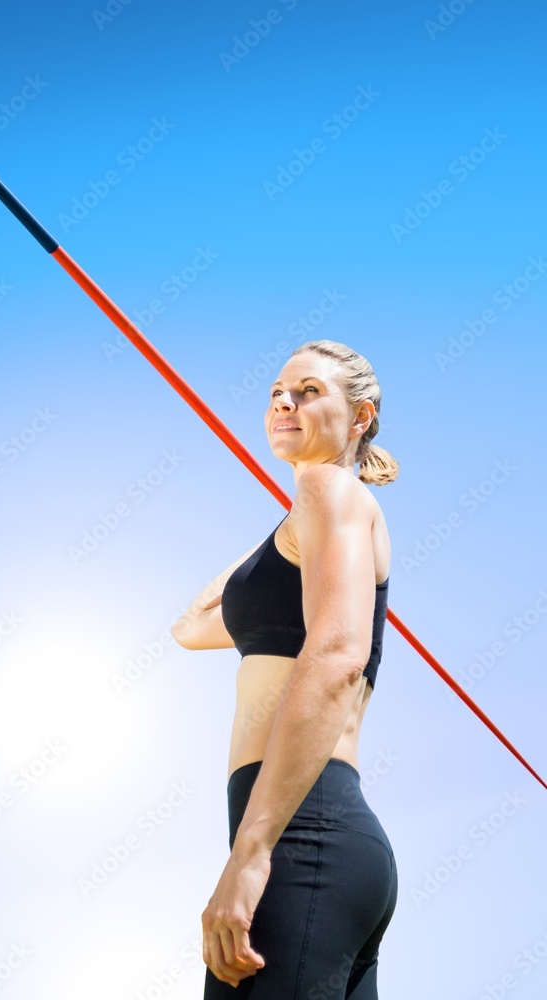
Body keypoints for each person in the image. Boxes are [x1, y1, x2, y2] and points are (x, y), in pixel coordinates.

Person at [171, 340, 399, 999]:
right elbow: (190, 628)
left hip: (302, 835)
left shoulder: (333, 491)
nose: (284, 400)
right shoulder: (311, 511)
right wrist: (276, 532)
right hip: (323, 842)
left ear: (361, 416)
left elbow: (334, 661)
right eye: (276, 390)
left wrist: (250, 854)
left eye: (308, 391)